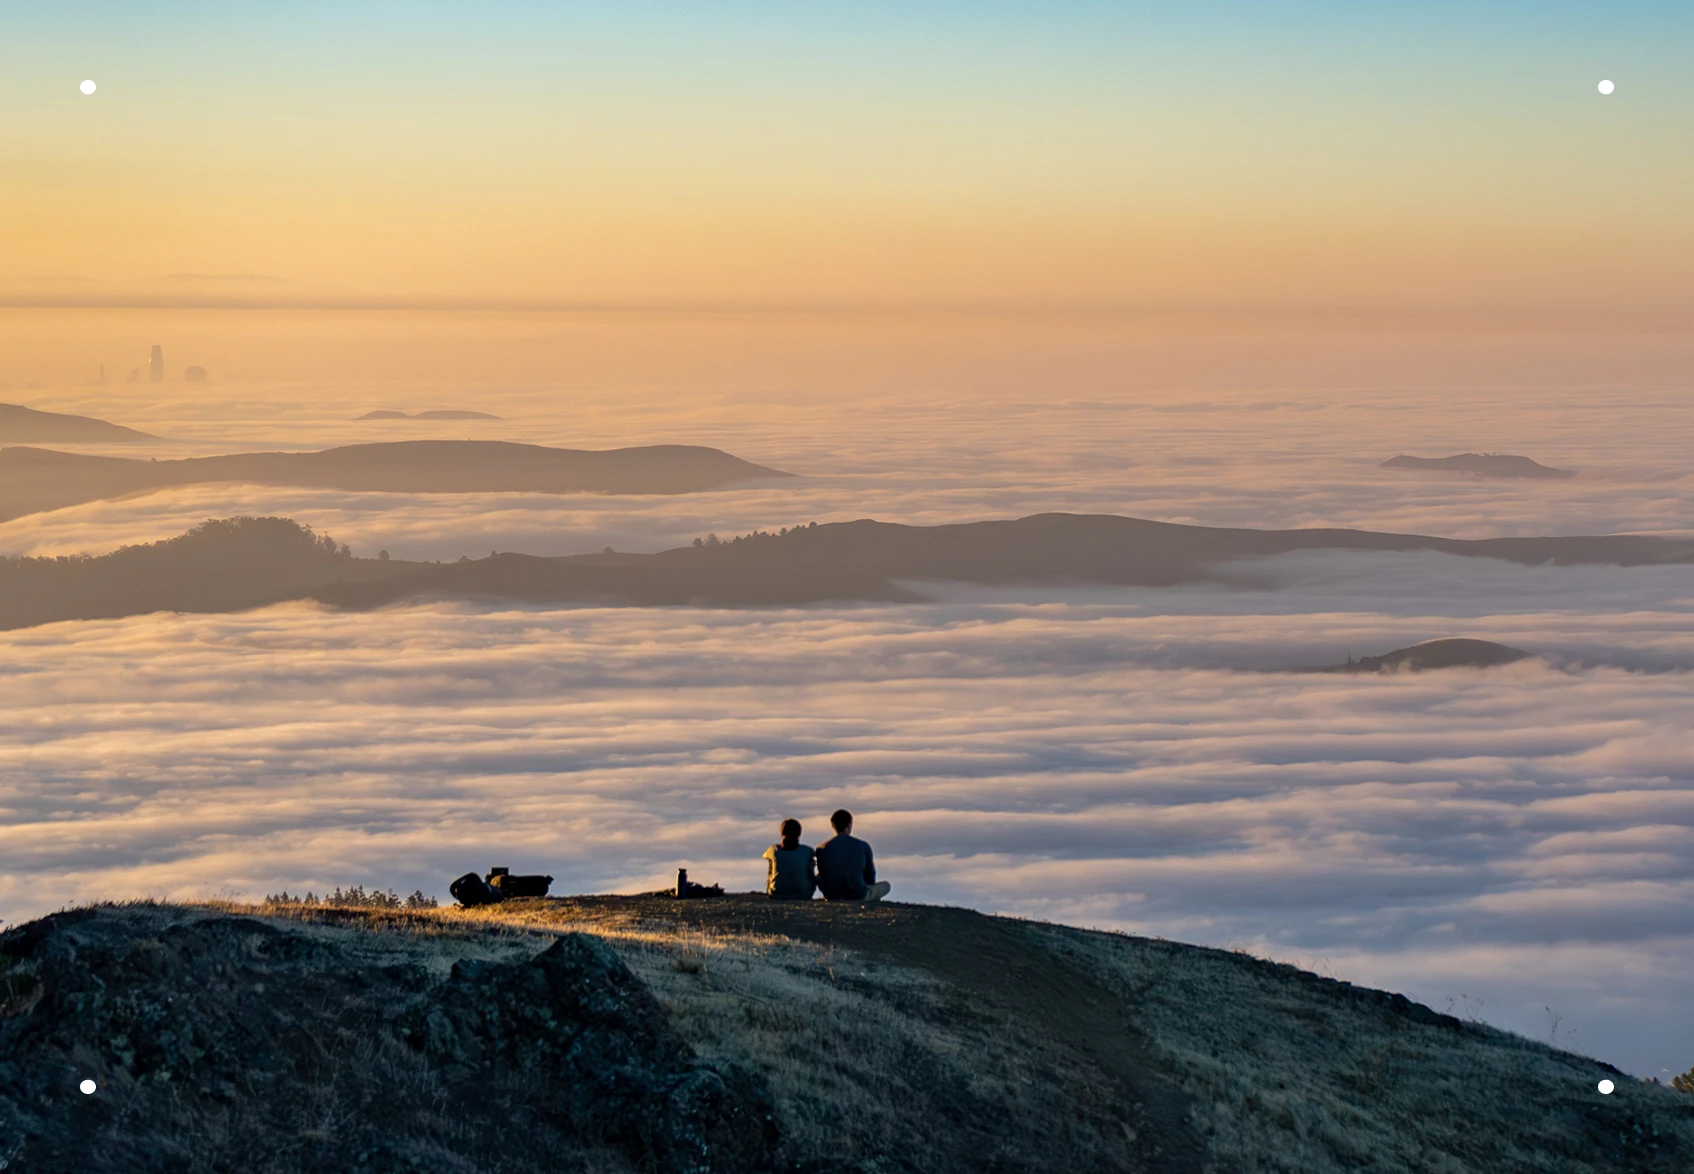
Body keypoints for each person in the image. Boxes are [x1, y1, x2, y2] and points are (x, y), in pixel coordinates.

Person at [814, 808, 891, 903]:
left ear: (833, 825)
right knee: (886, 886)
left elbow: (823, 874)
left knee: (817, 877)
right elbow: (870, 875)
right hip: (858, 894)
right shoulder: (863, 846)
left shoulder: (822, 848)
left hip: (832, 895)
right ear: (850, 824)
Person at [763, 818, 817, 900]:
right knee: (810, 863)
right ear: (799, 834)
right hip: (803, 895)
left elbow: (765, 856)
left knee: (772, 863)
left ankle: (773, 887)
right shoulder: (807, 851)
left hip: (776, 893)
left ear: (782, 833)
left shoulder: (773, 850)